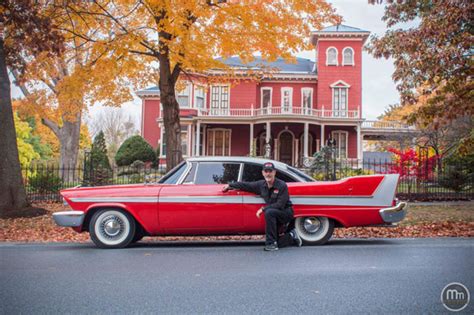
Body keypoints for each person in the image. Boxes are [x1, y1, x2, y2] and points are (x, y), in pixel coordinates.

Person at [222, 162, 302, 251]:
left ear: (274, 172)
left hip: (285, 212)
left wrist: (263, 209)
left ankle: (271, 244)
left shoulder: (281, 185)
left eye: (270, 171)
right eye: (266, 171)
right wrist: (230, 185)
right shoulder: (261, 185)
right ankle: (291, 235)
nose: (268, 174)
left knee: (269, 212)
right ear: (263, 173)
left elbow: (280, 204)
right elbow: (246, 185)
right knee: (278, 241)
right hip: (274, 214)